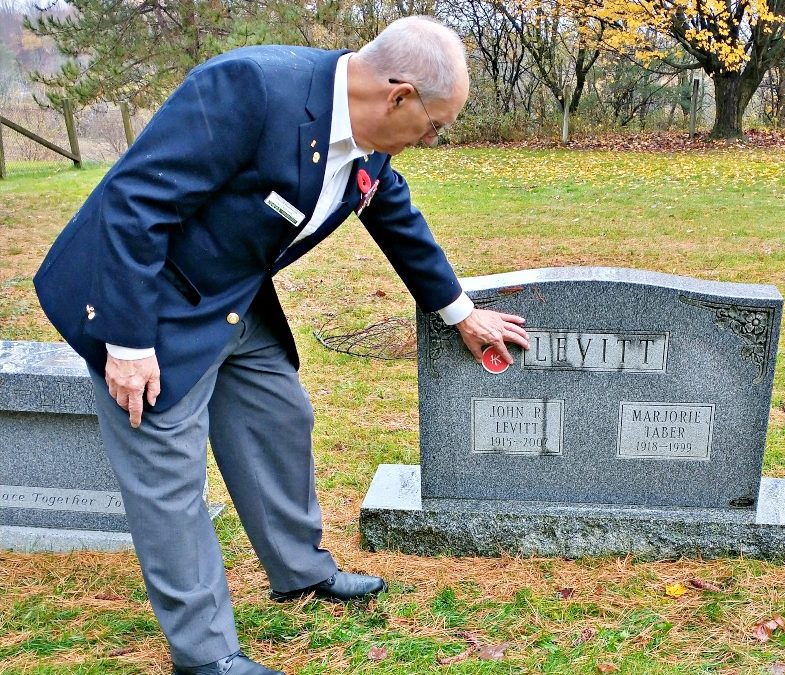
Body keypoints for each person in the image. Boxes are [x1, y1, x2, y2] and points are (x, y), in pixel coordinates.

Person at [33, 16, 529, 675]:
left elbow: (392, 211)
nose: (433, 139)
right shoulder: (250, 88)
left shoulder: (370, 139)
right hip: (149, 304)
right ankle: (206, 654)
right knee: (168, 478)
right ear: (400, 96)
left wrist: (458, 311)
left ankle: (300, 570)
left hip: (231, 297)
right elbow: (133, 203)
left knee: (279, 414)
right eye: (436, 125)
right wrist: (125, 342)